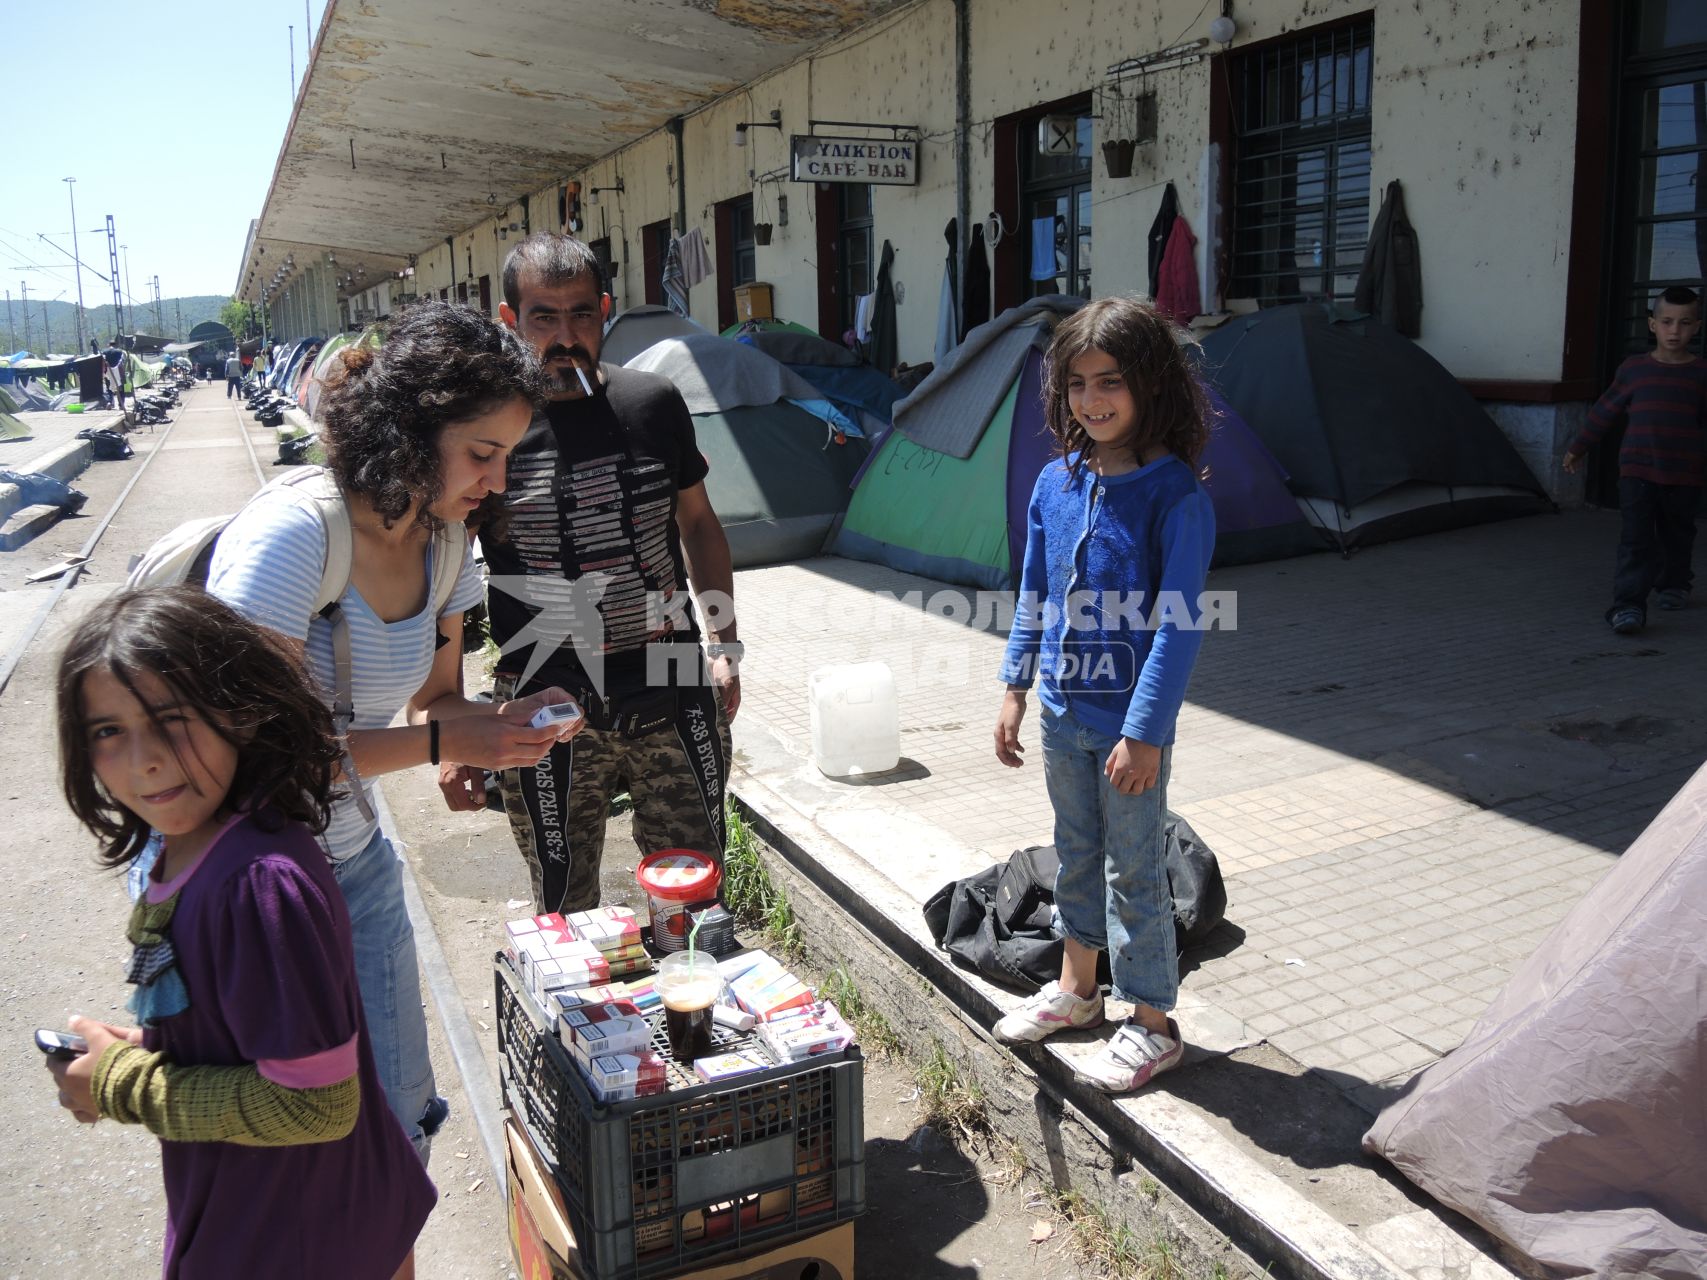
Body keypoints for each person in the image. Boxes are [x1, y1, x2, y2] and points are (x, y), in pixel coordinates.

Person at [204, 299, 582, 1160]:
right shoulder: (289, 541)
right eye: (481, 453)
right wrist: (452, 745)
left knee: (397, 1125)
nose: (494, 480)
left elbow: (436, 703)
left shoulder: (444, 542)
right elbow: (255, 767)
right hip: (249, 882)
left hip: (355, 857)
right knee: (290, 1140)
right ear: (407, 429)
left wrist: (501, 721)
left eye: (508, 457)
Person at [47, 586, 436, 1278]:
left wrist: (119, 1085)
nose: (144, 760)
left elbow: (314, 1105)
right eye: (107, 730)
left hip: (294, 1239)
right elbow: (250, 1033)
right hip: (312, 1215)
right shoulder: (201, 847)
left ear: (242, 712)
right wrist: (137, 1048)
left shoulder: (257, 885)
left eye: (172, 718)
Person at [471, 232, 740, 916]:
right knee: (564, 904)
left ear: (605, 311)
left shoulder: (652, 403)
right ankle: (588, 1022)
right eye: (543, 318)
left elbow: (700, 526)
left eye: (581, 314)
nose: (566, 336)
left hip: (671, 679)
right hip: (543, 699)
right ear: (510, 321)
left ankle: (691, 1017)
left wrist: (724, 645)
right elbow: (438, 568)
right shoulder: (484, 430)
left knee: (695, 892)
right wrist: (443, 719)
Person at [991, 295, 1216, 1095]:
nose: (1093, 400)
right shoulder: (1056, 482)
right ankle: (1079, 993)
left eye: (1110, 381)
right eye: (1078, 384)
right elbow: (1034, 593)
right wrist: (1015, 685)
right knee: (1074, 857)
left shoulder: (1175, 497)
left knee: (1135, 872)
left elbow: (1178, 630)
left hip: (1129, 731)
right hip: (1060, 714)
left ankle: (1152, 1023)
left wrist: (1146, 733)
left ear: (1150, 385)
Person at [1564, 285, 1707, 634]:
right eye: (1667, 321)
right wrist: (1579, 446)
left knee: (1678, 534)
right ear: (1652, 324)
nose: (1675, 330)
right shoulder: (1634, 369)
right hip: (1637, 471)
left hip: (1685, 473)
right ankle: (1627, 606)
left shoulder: (1702, 373)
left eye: (1684, 323)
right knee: (1636, 539)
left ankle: (1674, 583)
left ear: (1697, 327)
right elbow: (1604, 412)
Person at [102, 337, 127, 410]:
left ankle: (110, 402)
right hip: (119, 373)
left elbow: (103, 363)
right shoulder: (120, 351)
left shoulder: (105, 352)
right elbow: (122, 362)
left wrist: (103, 373)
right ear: (116, 345)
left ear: (109, 345)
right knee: (121, 388)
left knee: (109, 388)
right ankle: (121, 404)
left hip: (108, 373)